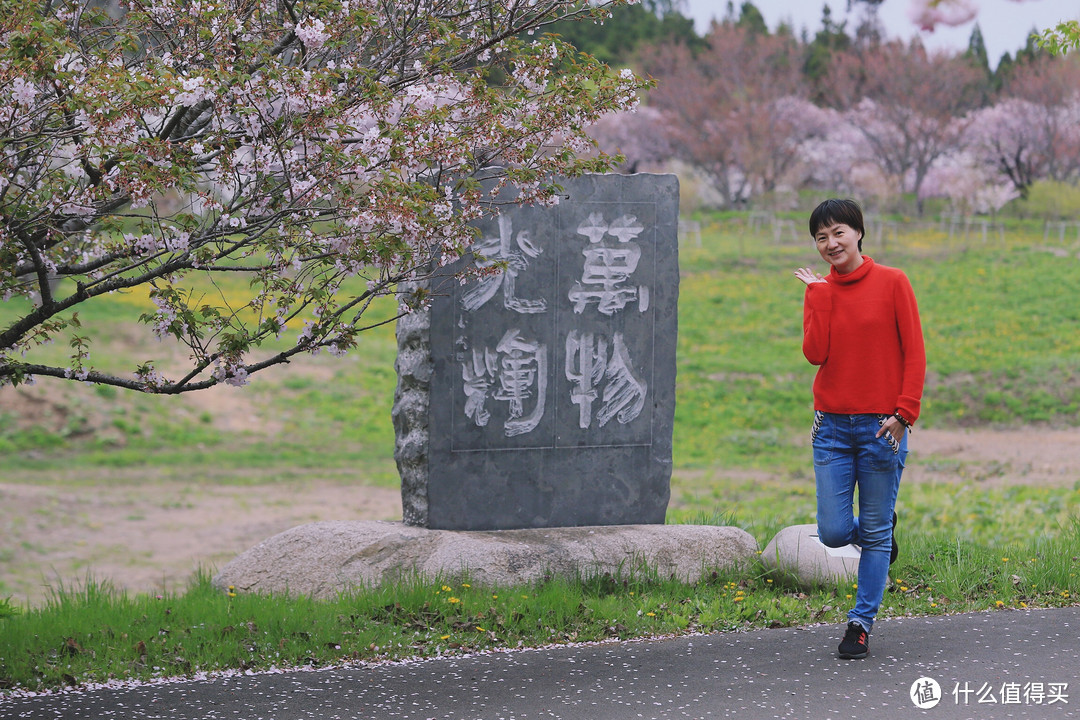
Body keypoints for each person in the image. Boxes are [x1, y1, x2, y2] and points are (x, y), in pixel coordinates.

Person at [793, 198, 926, 660]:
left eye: (839, 233)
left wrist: (905, 413)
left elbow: (915, 352)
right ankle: (879, 535)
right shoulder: (820, 290)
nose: (831, 244)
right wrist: (818, 298)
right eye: (821, 237)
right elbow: (815, 353)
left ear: (859, 233)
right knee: (832, 531)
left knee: (872, 532)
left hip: (882, 426)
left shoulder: (893, 281)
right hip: (830, 425)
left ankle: (859, 624)